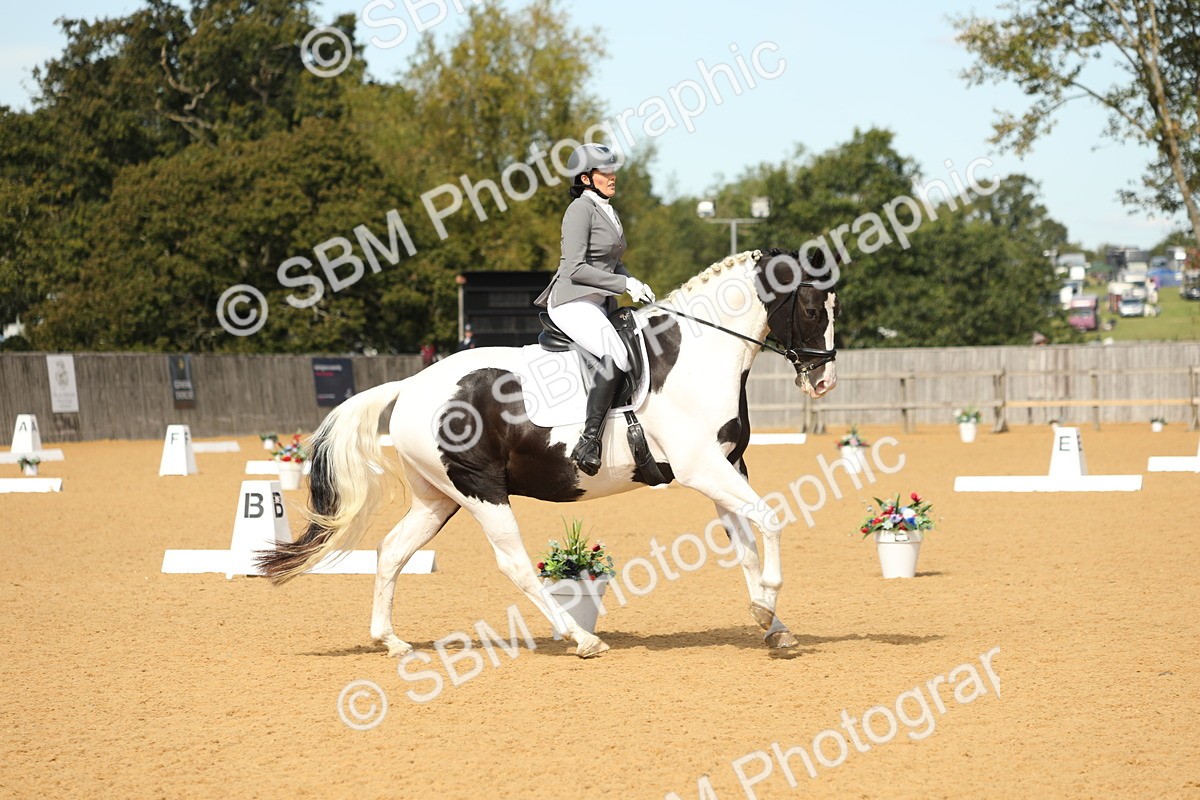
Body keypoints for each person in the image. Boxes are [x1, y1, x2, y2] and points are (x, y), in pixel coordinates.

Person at [533, 143, 656, 475]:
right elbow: (574, 268)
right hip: (572, 301)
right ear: (587, 178)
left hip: (600, 303)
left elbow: (614, 264)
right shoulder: (579, 210)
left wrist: (634, 282)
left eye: (613, 171)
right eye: (606, 172)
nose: (613, 176)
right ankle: (588, 442)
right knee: (616, 356)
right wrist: (622, 285)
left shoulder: (608, 211)